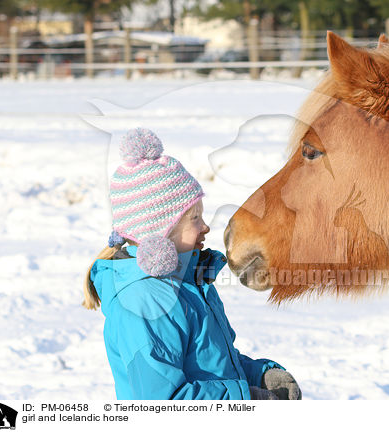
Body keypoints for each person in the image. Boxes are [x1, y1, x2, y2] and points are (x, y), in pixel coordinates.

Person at [83, 127, 301, 400]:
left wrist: (259, 375)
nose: (206, 226)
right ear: (161, 231)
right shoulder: (145, 301)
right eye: (194, 218)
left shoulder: (189, 284)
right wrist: (247, 399)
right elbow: (162, 402)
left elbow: (214, 365)